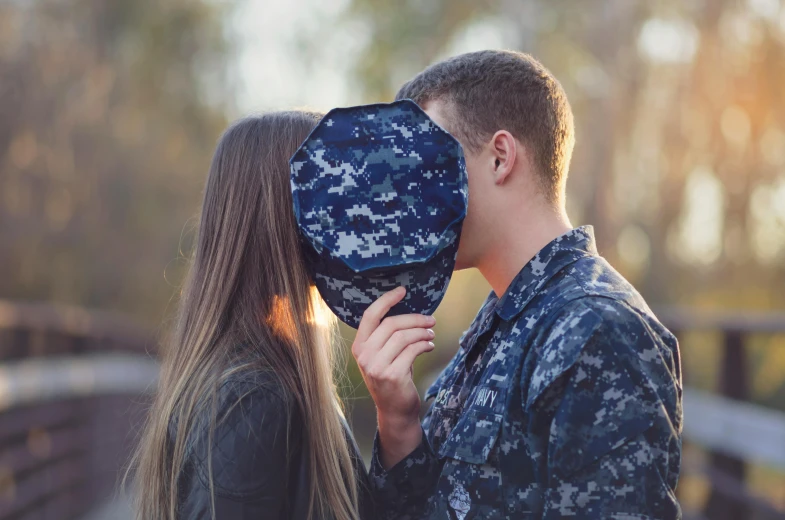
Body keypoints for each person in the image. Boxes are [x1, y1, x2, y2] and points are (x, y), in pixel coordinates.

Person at [352, 50, 683, 519]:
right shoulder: (507, 317)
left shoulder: (597, 329)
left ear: (500, 158)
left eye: (426, 164)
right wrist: (399, 423)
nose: (410, 193)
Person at [128, 112, 373, 520]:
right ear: (280, 216)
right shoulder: (252, 399)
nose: (348, 215)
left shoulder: (268, 376)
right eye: (329, 192)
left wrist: (396, 421)